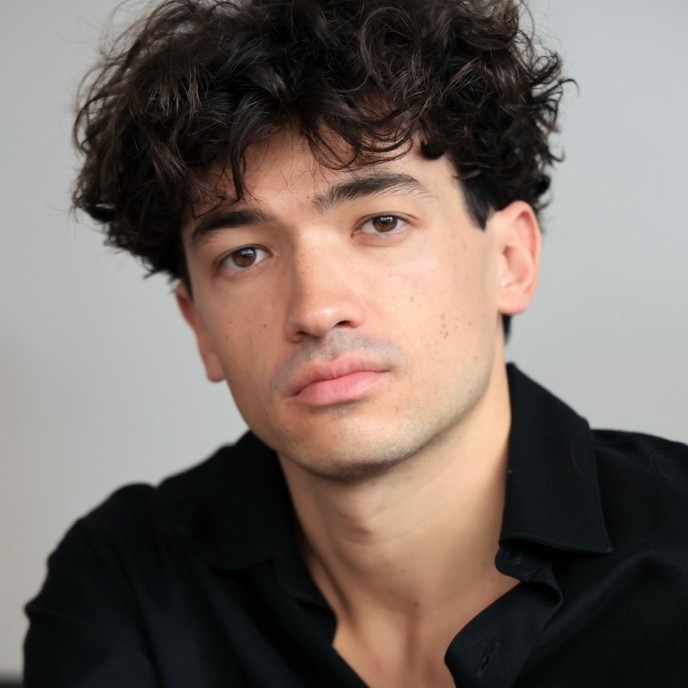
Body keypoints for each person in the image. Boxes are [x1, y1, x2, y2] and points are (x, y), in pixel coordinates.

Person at [23, 0, 688, 686]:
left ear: (510, 261)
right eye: (245, 255)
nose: (317, 310)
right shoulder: (127, 585)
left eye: (382, 222)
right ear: (202, 330)